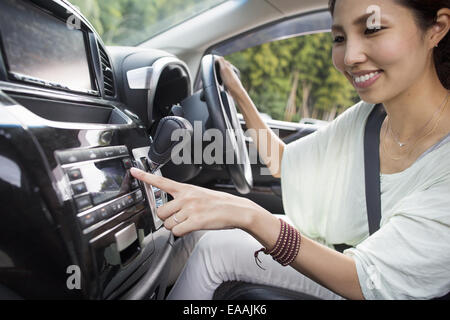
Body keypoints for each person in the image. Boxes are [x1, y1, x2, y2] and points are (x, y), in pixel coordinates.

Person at [130, 0, 450, 300]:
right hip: (347, 252)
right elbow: (285, 162)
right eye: (339, 38)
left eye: (372, 29)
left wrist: (250, 216)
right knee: (195, 235)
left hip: (371, 281)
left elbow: (367, 279)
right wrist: (239, 96)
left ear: (437, 28)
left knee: (216, 248)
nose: (350, 56)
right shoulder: (369, 120)